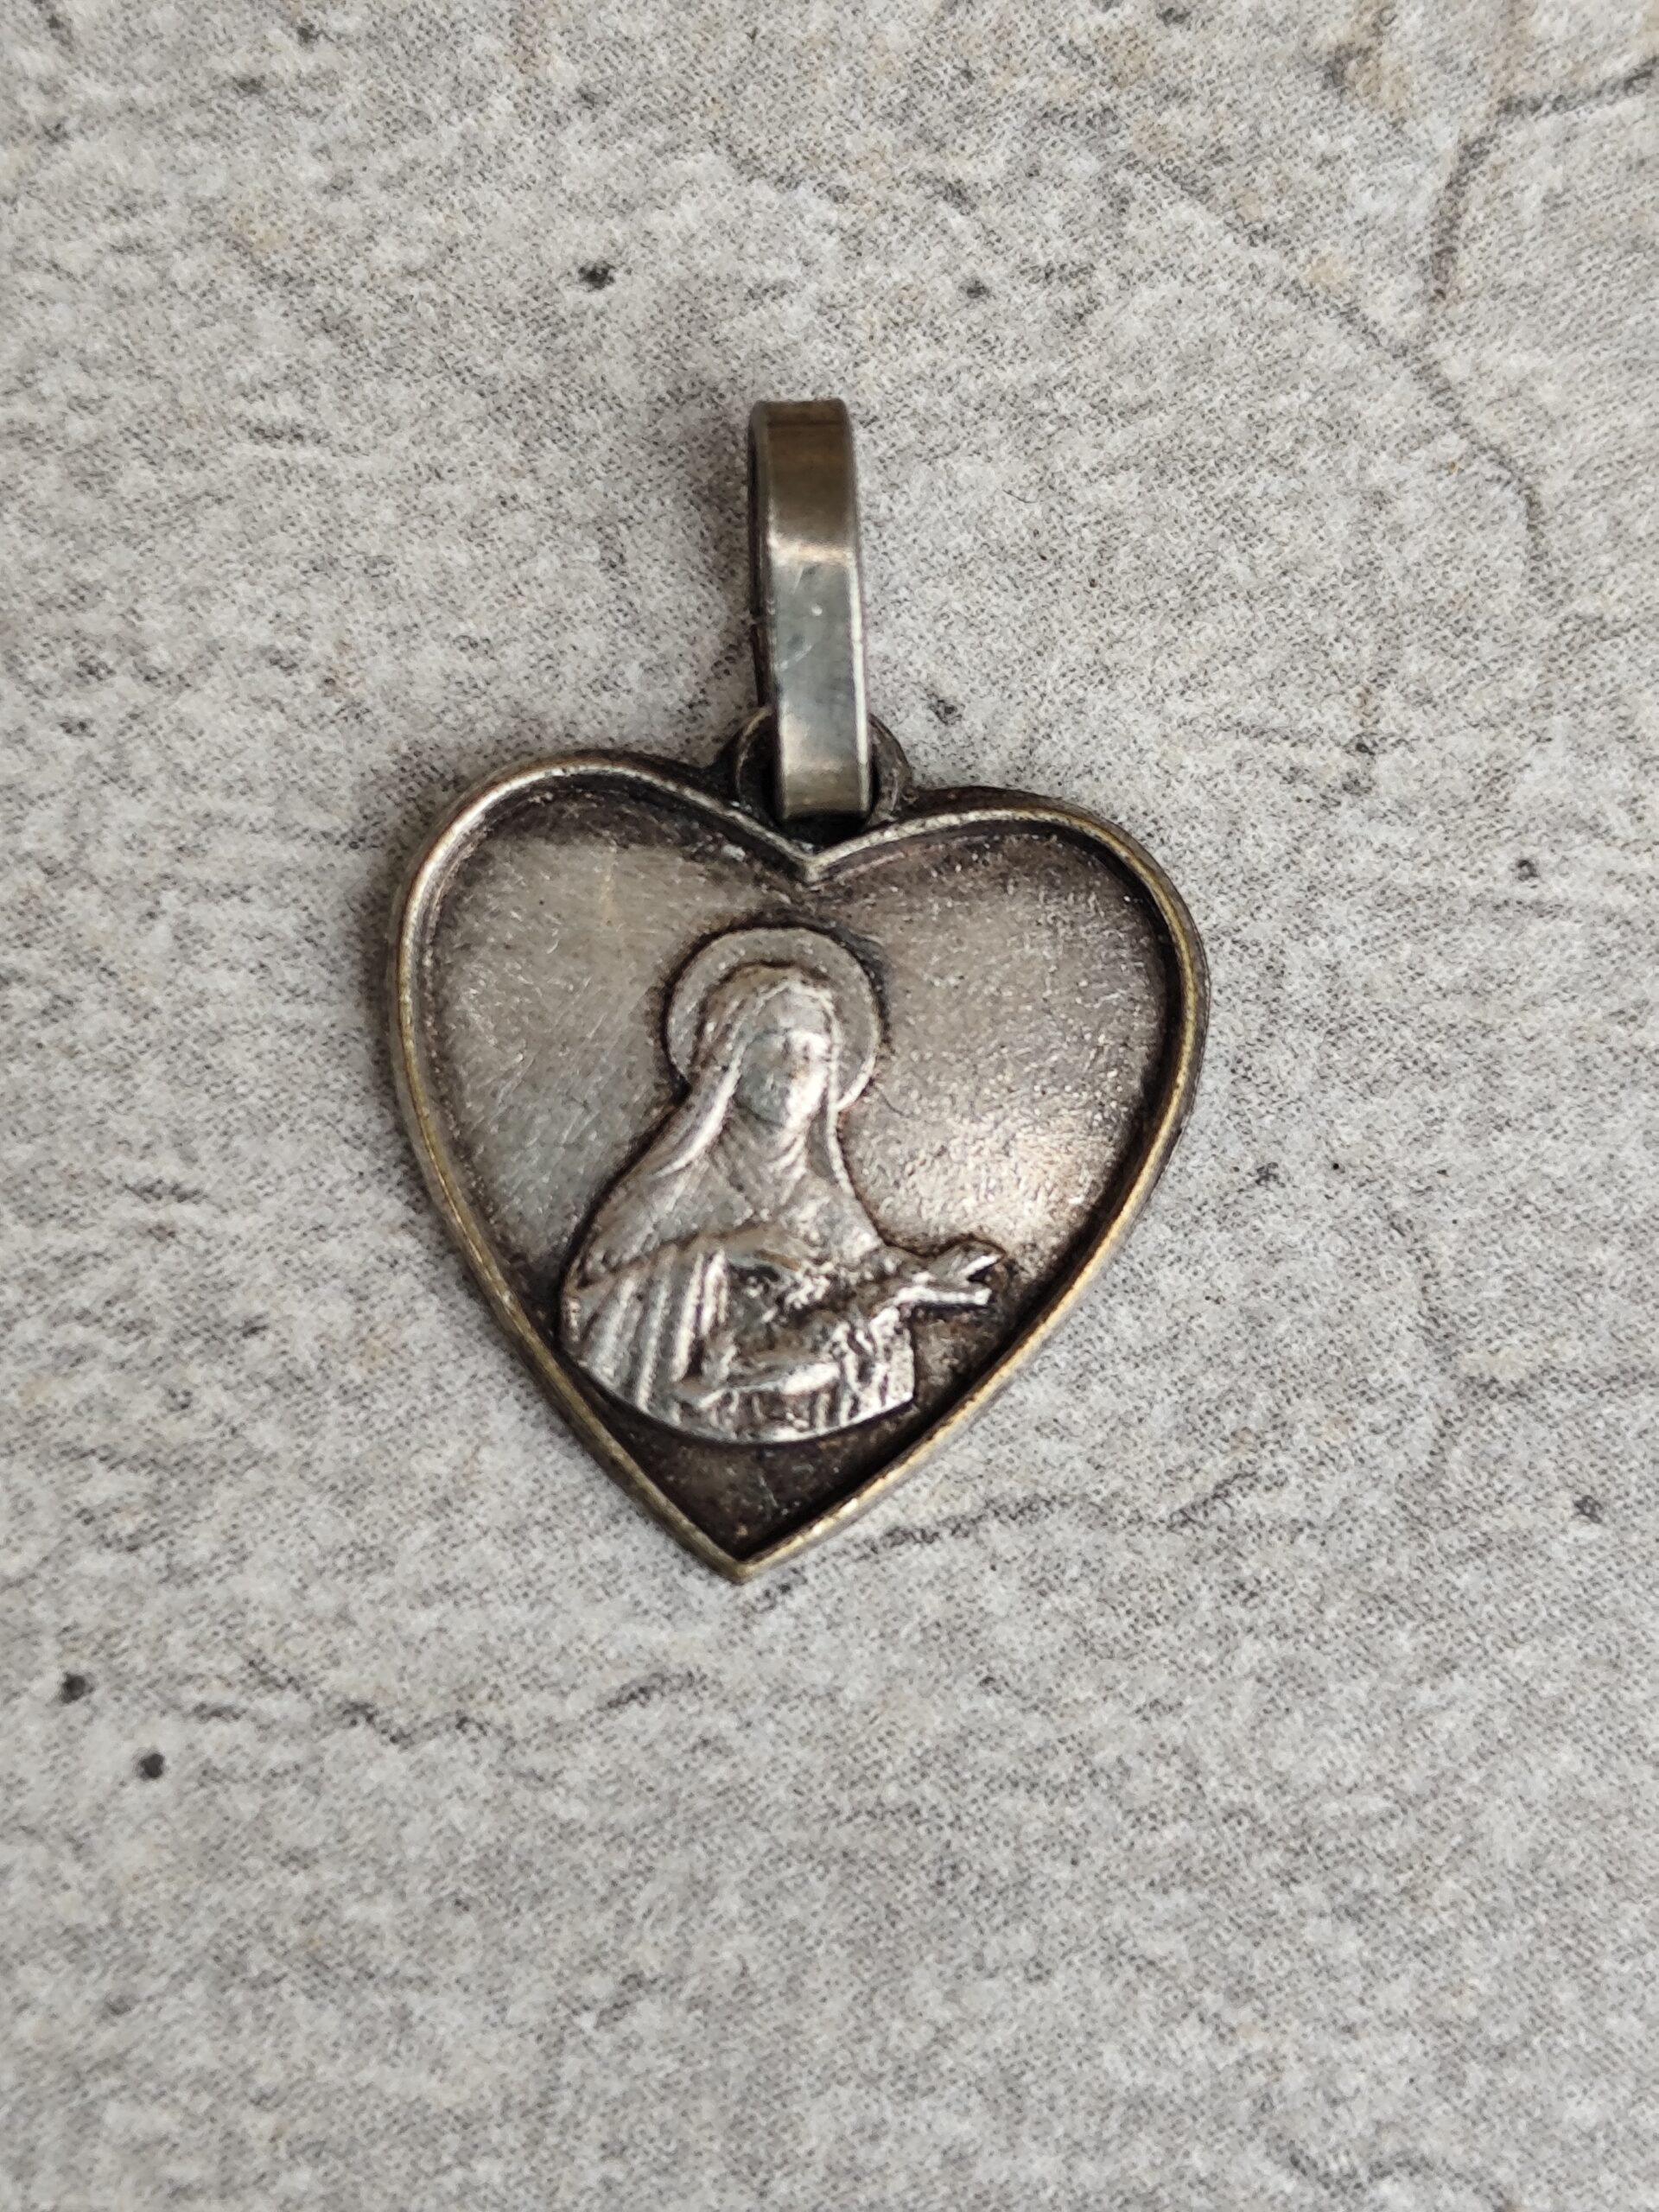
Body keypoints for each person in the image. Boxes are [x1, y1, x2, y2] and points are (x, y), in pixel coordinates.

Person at [561, 957, 1000, 1443]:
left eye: (814, 1052)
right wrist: (721, 1255)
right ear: (730, 1057)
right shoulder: (672, 1193)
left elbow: (885, 1347)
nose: (795, 1070)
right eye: (775, 1045)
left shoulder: (833, 1212)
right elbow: (587, 1311)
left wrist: (917, 1283)